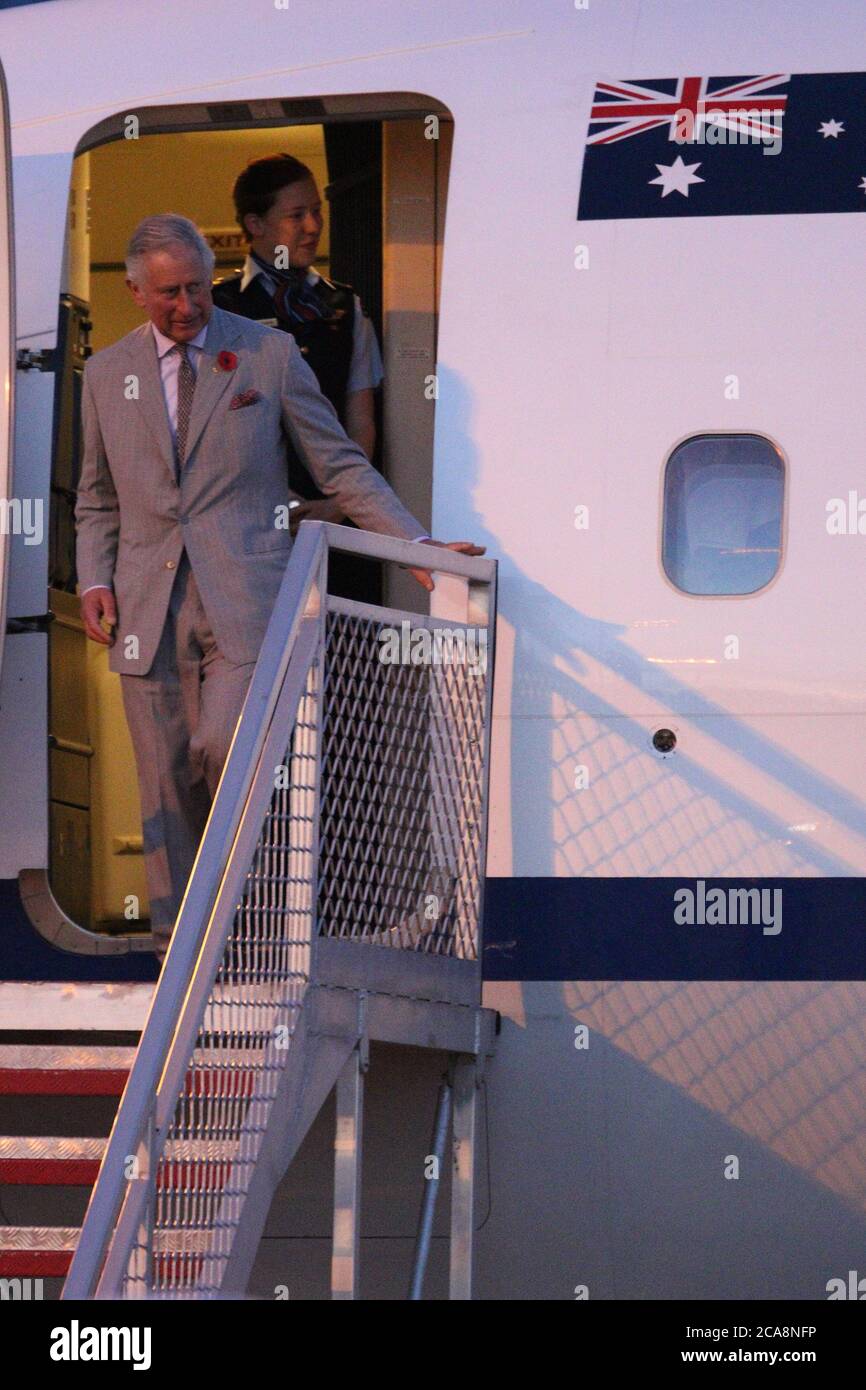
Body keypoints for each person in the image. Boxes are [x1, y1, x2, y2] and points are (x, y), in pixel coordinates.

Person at [75, 213, 484, 959]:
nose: (187, 305)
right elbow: (97, 497)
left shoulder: (266, 351)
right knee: (164, 780)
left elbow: (338, 465)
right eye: (168, 293)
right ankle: (181, 952)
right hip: (145, 601)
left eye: (197, 286)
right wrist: (94, 578)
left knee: (226, 748)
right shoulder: (105, 375)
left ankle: (251, 932)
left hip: (246, 594)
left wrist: (412, 543)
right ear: (136, 292)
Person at [212, 153, 382, 598]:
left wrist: (338, 506)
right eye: (296, 215)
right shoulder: (219, 310)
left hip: (336, 524)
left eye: (317, 211)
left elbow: (360, 422)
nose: (312, 226)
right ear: (255, 223)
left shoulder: (344, 308)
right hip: (245, 527)